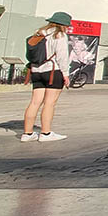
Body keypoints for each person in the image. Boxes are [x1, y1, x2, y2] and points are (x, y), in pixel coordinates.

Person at [21, 11, 72, 142]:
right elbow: (62, 57)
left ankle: (27, 133)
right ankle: (46, 133)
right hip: (53, 71)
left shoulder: (39, 33)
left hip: (36, 71)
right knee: (49, 103)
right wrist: (65, 74)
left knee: (34, 102)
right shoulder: (59, 35)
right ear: (64, 24)